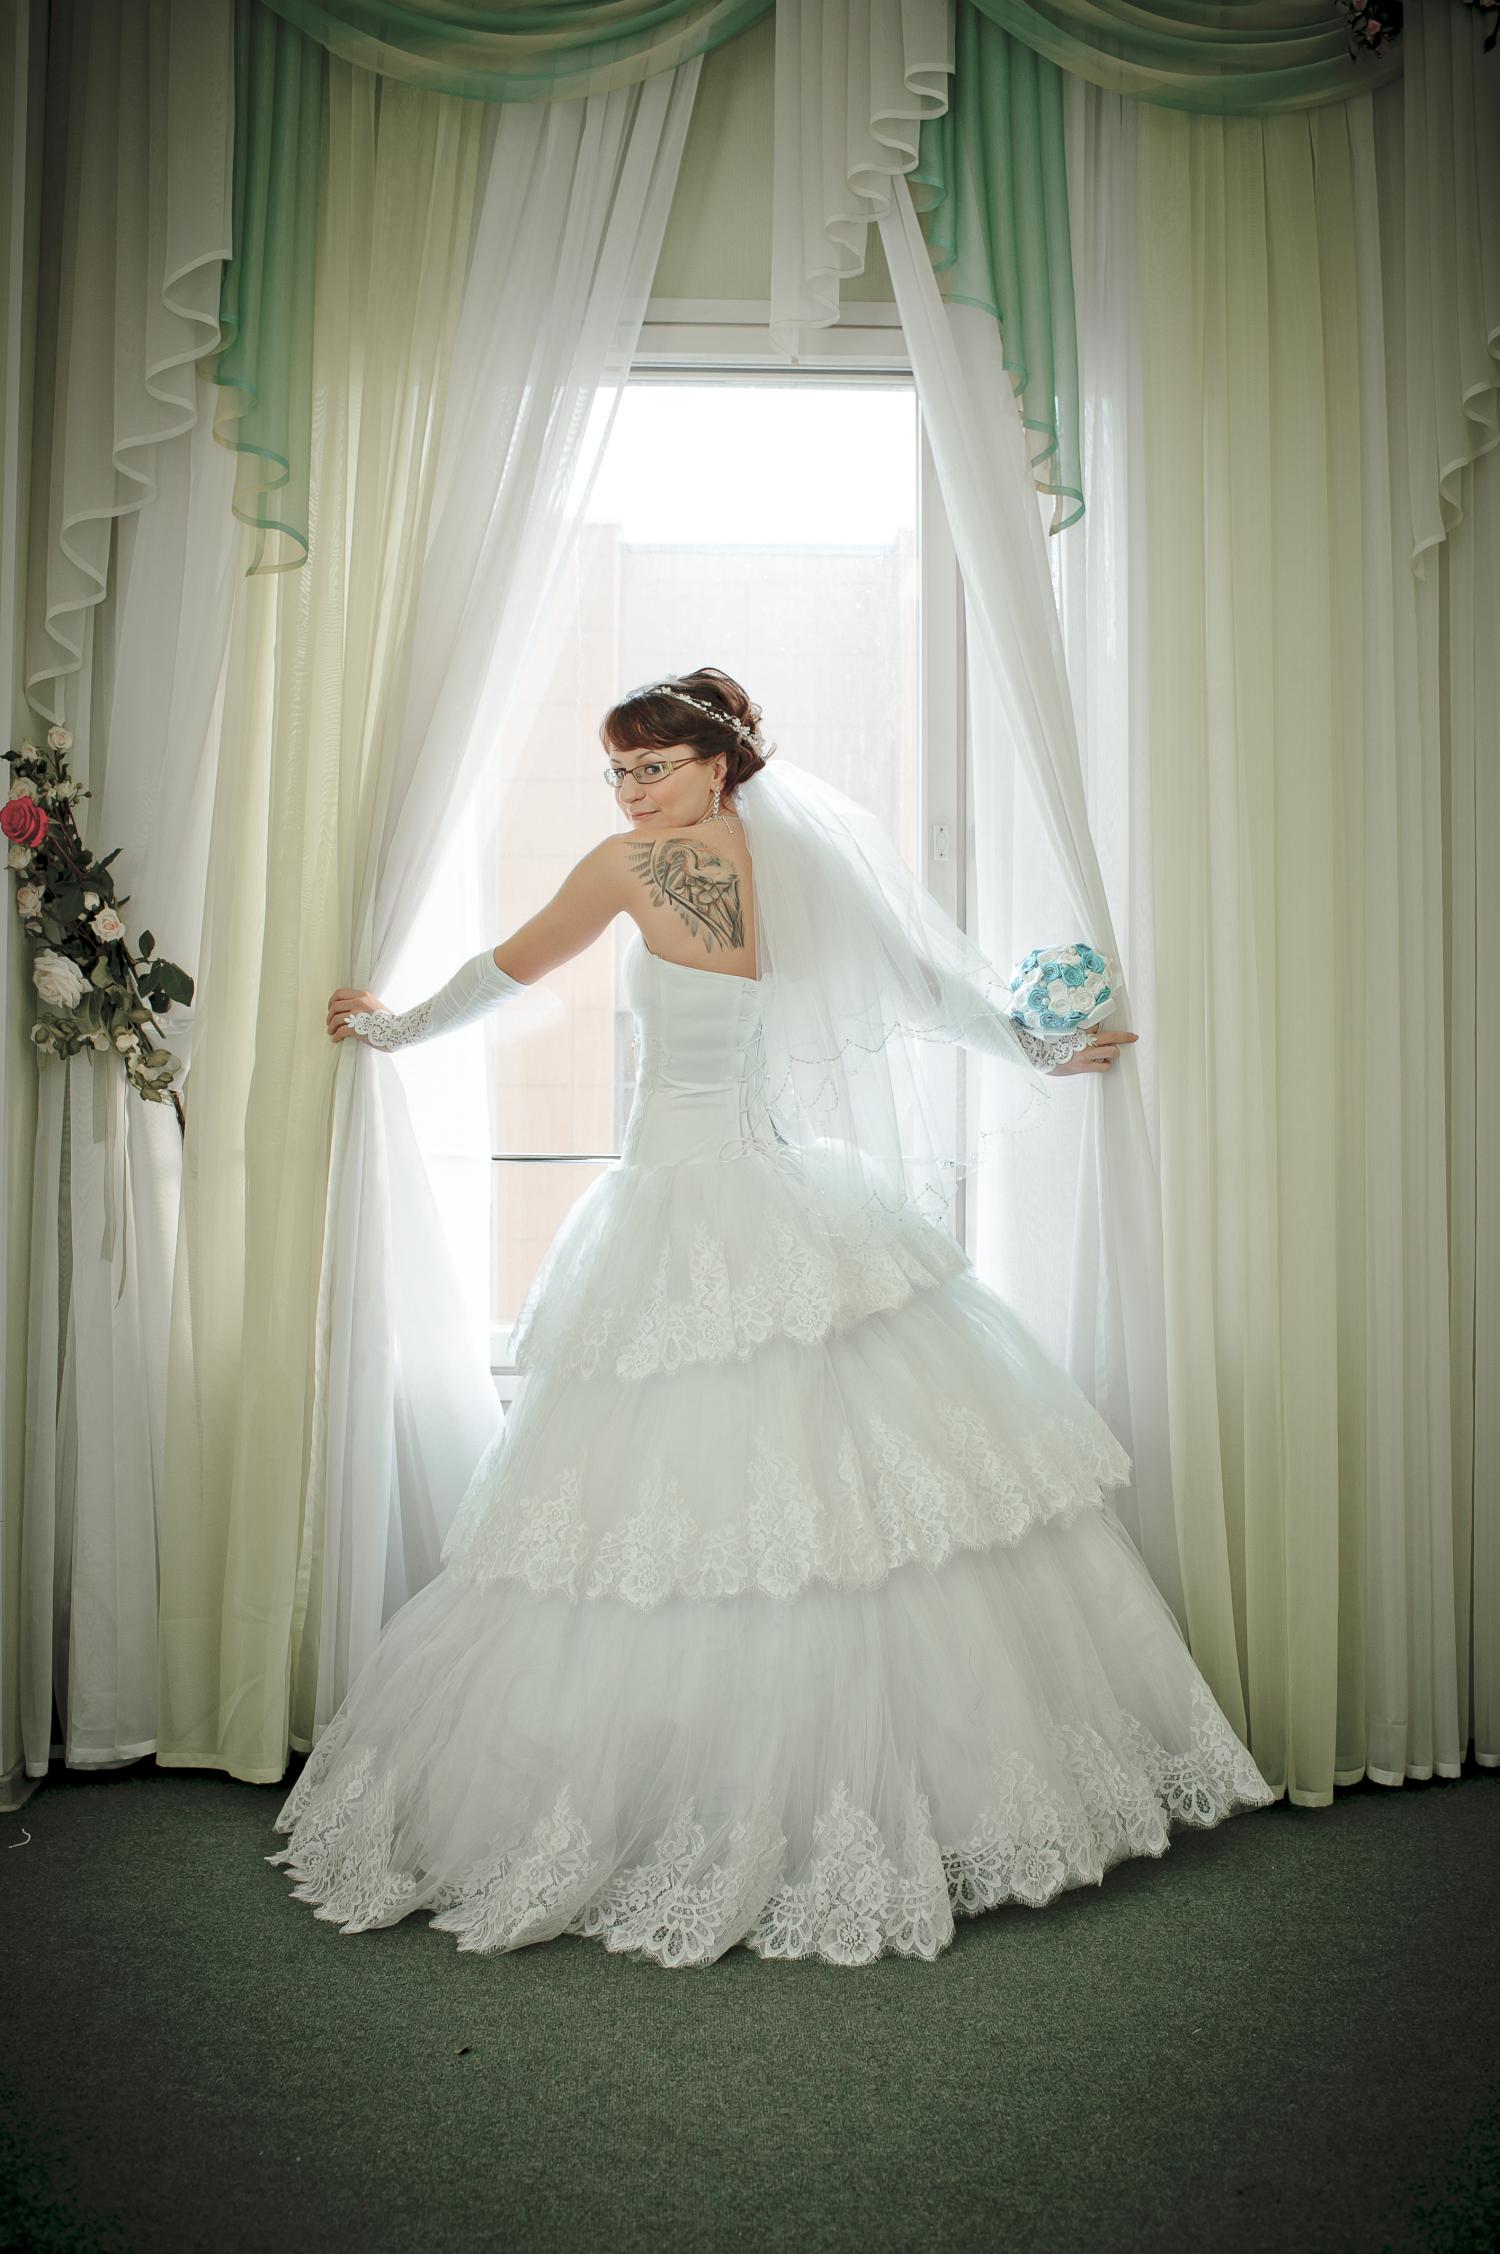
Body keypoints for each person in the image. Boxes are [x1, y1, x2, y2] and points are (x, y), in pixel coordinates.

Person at [268, 666, 1274, 1967]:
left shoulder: (634, 869)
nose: (631, 791)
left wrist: (396, 1029)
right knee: (813, 1500)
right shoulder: (783, 862)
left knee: (730, 1510)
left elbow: (507, 970)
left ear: (719, 765)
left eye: (653, 767)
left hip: (690, 1201)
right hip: (774, 1199)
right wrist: (1028, 1044)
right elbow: (917, 987)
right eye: (618, 771)